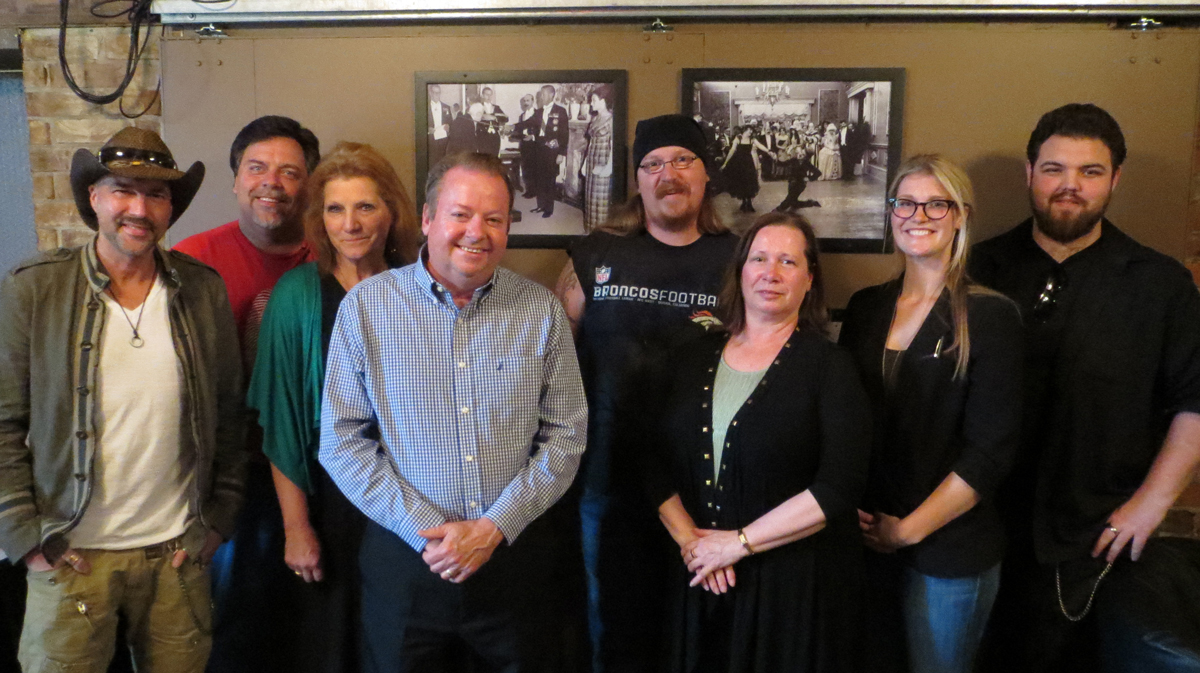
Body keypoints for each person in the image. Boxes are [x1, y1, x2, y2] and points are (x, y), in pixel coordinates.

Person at [319, 152, 587, 673]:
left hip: (512, 563)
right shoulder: (367, 308)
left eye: (494, 218)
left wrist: (492, 528)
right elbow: (341, 440)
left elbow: (566, 434)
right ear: (427, 218)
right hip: (407, 564)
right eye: (460, 214)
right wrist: (429, 530)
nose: (476, 232)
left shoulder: (540, 311)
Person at [0, 127, 246, 673]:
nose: (139, 209)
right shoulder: (34, 288)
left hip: (177, 556)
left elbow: (231, 415)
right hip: (70, 557)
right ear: (94, 197)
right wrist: (26, 539)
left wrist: (218, 523)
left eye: (156, 194)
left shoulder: (202, 289)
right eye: (123, 191)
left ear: (171, 208)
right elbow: (3, 423)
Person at [970, 103, 1200, 672]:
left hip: (1096, 536)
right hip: (979, 524)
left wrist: (1151, 504)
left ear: (1115, 179)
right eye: (1054, 169)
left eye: (1090, 171)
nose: (1069, 185)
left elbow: (1194, 401)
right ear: (1030, 173)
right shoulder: (977, 270)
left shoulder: (1160, 283)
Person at [556, 113, 738, 673]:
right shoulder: (594, 255)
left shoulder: (740, 258)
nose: (668, 174)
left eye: (683, 160)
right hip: (603, 478)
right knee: (608, 625)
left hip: (706, 485)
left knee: (701, 627)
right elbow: (550, 360)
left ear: (706, 173)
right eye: (653, 164)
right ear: (637, 180)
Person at [655, 212, 871, 673]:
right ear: (740, 270)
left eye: (788, 262)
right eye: (759, 259)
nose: (770, 273)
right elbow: (647, 458)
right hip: (699, 575)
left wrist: (737, 544)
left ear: (809, 280)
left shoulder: (831, 368)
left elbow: (838, 487)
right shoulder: (691, 356)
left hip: (791, 590)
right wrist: (692, 543)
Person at [839, 155, 1023, 673]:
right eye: (905, 203)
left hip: (949, 550)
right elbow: (845, 421)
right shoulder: (866, 307)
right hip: (867, 540)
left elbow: (990, 453)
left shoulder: (990, 315)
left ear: (960, 215)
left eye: (936, 204)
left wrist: (907, 531)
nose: (918, 216)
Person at [247, 142, 420, 673]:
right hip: (327, 504)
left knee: (401, 643)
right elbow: (280, 421)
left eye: (365, 206)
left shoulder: (421, 290)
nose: (350, 224)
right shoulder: (296, 296)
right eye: (335, 209)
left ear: (391, 212)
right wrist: (297, 527)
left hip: (411, 502)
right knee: (331, 644)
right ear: (319, 219)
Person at [172, 114, 321, 673]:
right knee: (235, 618)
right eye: (257, 168)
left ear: (309, 185)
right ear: (236, 180)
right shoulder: (191, 261)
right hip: (228, 473)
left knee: (313, 618)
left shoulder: (336, 257)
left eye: (290, 172)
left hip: (319, 468)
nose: (271, 183)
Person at [529, 85, 570, 218]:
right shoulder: (539, 112)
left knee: (549, 180)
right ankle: (540, 205)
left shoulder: (560, 111)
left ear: (552, 95)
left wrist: (561, 153)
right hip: (539, 149)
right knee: (539, 179)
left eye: (544, 94)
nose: (541, 97)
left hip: (552, 151)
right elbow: (533, 128)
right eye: (540, 94)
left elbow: (564, 134)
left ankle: (549, 208)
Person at [582, 84, 615, 231]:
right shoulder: (595, 119)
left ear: (604, 100)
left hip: (604, 163)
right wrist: (584, 164)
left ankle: (602, 235)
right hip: (591, 162)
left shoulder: (612, 120)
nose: (591, 103)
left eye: (594, 100)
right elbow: (590, 144)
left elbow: (614, 146)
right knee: (590, 200)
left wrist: (608, 168)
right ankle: (591, 231)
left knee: (601, 202)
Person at [772, 131, 822, 212]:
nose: (800, 154)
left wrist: (809, 178)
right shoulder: (794, 160)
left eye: (803, 155)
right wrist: (776, 159)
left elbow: (818, 173)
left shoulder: (807, 163)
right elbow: (783, 164)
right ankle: (810, 203)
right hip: (791, 182)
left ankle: (778, 210)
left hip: (800, 184)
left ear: (806, 157)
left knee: (789, 199)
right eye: (800, 152)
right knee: (793, 202)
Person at [722, 127, 765, 213]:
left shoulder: (752, 139)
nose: (751, 132)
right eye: (749, 130)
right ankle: (744, 202)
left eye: (751, 131)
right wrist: (725, 163)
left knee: (750, 181)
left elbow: (760, 146)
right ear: (745, 131)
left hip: (748, 162)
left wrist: (769, 151)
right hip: (739, 163)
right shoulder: (738, 138)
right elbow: (732, 150)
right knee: (742, 182)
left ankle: (749, 203)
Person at [477, 87, 508, 157]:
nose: (489, 97)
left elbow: (506, 118)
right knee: (484, 159)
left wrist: (494, 117)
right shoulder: (478, 106)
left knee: (494, 158)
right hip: (482, 136)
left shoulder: (496, 107)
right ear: (482, 95)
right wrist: (482, 116)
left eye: (490, 95)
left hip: (494, 137)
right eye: (487, 94)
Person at [427, 84, 453, 166]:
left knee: (443, 163)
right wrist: (427, 129)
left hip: (444, 140)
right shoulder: (424, 107)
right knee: (432, 163)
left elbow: (451, 123)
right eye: (435, 93)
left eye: (439, 93)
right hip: (430, 140)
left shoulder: (446, 107)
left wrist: (449, 127)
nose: (437, 95)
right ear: (430, 93)